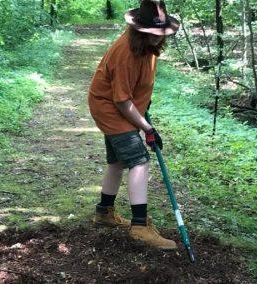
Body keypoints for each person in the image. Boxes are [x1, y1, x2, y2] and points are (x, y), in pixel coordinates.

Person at [87, 0, 180, 250]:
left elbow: (137, 88)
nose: (157, 38)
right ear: (139, 29)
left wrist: (144, 106)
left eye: (160, 33)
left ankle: (104, 213)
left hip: (122, 105)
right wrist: (147, 129)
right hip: (111, 107)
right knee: (139, 161)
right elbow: (121, 100)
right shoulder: (127, 53)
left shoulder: (147, 47)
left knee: (117, 161)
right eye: (152, 33)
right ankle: (139, 227)